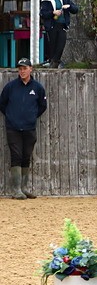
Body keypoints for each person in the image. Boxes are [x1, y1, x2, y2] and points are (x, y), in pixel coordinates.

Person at [0, 58, 47, 199]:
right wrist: (11, 116)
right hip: (13, 128)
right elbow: (2, 104)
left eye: (24, 68)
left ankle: (24, 188)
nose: (22, 71)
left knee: (26, 156)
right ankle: (16, 190)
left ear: (30, 69)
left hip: (29, 128)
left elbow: (42, 106)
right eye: (20, 69)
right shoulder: (10, 87)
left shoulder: (38, 88)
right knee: (16, 156)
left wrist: (31, 116)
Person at [39, 0, 78, 68]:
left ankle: (54, 61)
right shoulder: (46, 1)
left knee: (61, 44)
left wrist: (69, 6)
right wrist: (53, 12)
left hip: (62, 25)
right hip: (52, 25)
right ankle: (53, 62)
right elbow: (43, 14)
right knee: (53, 44)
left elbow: (75, 9)